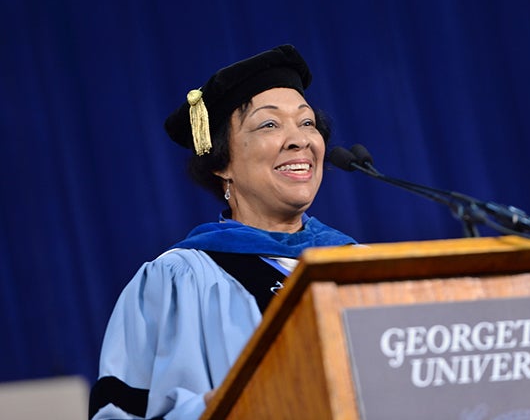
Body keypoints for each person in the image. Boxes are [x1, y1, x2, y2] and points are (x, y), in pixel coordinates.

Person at [89, 44, 357, 420]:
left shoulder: (356, 264)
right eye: (269, 124)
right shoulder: (178, 281)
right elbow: (121, 412)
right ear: (221, 162)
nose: (300, 140)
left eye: (307, 122)